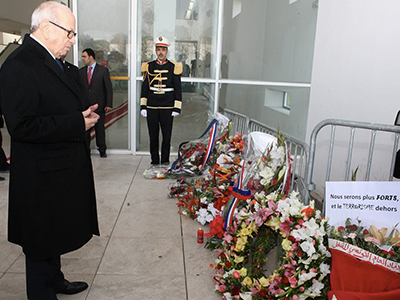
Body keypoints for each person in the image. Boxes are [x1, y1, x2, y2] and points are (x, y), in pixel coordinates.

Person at [0, 2, 100, 299]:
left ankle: (55, 279)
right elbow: (23, 126)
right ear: (46, 28)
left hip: (59, 168)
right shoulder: (19, 65)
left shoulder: (57, 63)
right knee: (40, 240)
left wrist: (84, 115)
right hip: (39, 174)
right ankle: (42, 292)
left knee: (54, 233)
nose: (72, 40)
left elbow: (58, 104)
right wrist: (74, 123)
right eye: (69, 33)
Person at [140, 36, 182, 165]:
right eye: (158, 49)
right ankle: (154, 161)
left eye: (163, 49)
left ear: (167, 51)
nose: (161, 52)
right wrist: (143, 106)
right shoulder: (149, 66)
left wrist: (177, 107)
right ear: (155, 50)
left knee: (166, 136)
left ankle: (164, 161)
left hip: (167, 106)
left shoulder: (173, 66)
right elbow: (145, 87)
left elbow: (177, 88)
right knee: (153, 136)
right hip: (152, 106)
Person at [79, 48, 113, 157]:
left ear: (91, 57)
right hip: (85, 106)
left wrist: (108, 104)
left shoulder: (103, 70)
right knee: (85, 130)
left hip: (99, 105)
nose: (82, 59)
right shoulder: (81, 72)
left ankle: (102, 150)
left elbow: (108, 88)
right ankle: (85, 150)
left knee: (100, 129)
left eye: (84, 56)